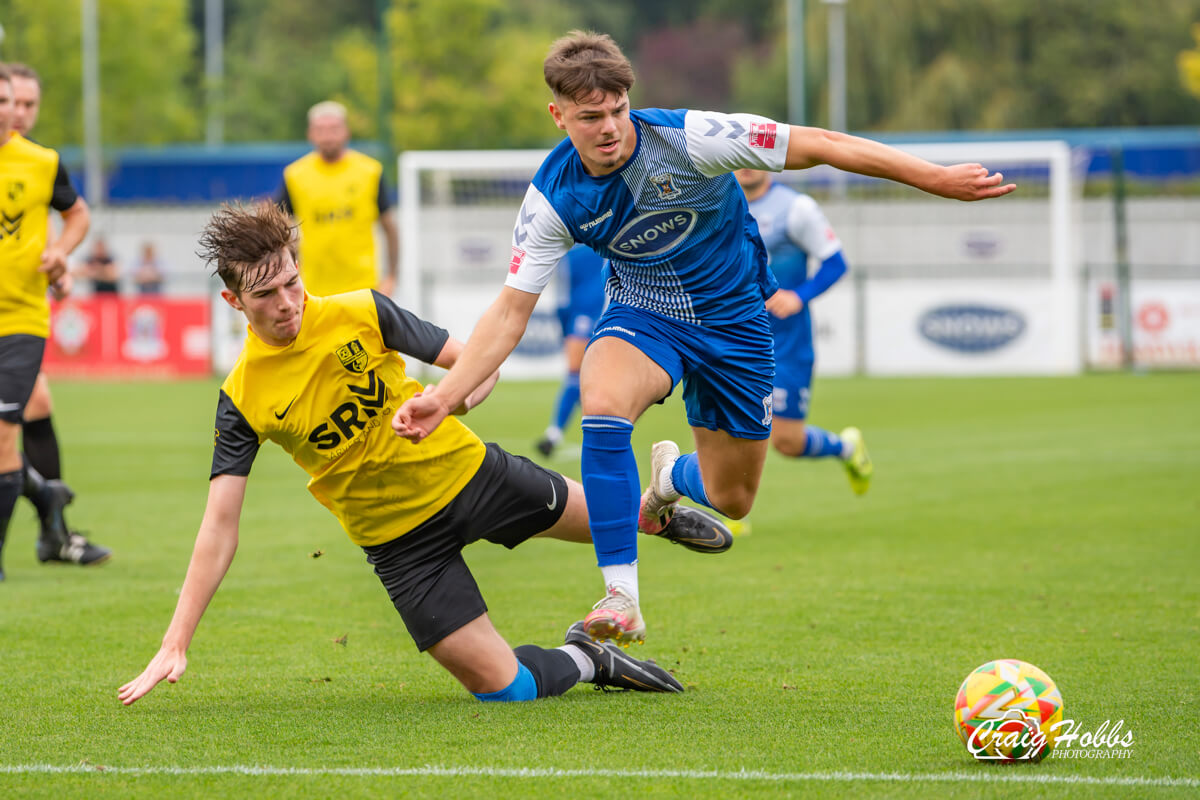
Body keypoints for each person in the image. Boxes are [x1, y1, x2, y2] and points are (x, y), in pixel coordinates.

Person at [392, 31, 1015, 645]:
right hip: (644, 313)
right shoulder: (552, 198)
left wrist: (933, 178)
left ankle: (668, 483)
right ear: (559, 116)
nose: (609, 127)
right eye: (590, 117)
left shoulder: (690, 138)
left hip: (737, 322)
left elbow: (820, 143)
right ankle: (621, 597)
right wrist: (444, 398)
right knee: (602, 402)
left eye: (617, 110)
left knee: (733, 497)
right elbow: (508, 312)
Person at [118, 203, 733, 707]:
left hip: (473, 478)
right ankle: (589, 656)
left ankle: (660, 505)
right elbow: (219, 526)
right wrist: (176, 641)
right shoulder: (242, 397)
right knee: (507, 691)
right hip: (402, 547)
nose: (287, 304)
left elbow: (477, 366)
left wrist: (448, 399)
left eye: (292, 283)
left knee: (624, 520)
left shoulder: (361, 310)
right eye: (265, 296)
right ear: (233, 304)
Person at [0, 64, 104, 581]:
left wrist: (58, 261)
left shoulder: (36, 163)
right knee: (33, 407)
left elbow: (55, 227)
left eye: (27, 105)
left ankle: (54, 526)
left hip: (17, 315)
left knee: (21, 416)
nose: (17, 113)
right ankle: (49, 506)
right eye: (11, 102)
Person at [734, 168, 873, 494]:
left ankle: (846, 449)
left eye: (752, 156)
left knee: (786, 441)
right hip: (731, 336)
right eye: (738, 155)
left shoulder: (795, 208)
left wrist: (799, 296)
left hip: (785, 341)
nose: (746, 164)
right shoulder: (716, 203)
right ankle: (730, 514)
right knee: (726, 428)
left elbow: (835, 263)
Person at [274, 100, 399, 298]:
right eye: (320, 130)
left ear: (346, 132)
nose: (327, 136)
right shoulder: (295, 175)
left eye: (333, 129)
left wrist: (392, 277)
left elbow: (389, 227)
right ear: (310, 134)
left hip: (364, 289)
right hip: (313, 290)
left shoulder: (370, 171)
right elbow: (279, 228)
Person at [536, 243, 607, 457]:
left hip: (582, 317)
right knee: (592, 379)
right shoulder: (609, 246)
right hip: (611, 315)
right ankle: (596, 431)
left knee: (577, 375)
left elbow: (563, 298)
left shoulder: (569, 254)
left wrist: (564, 327)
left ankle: (555, 432)